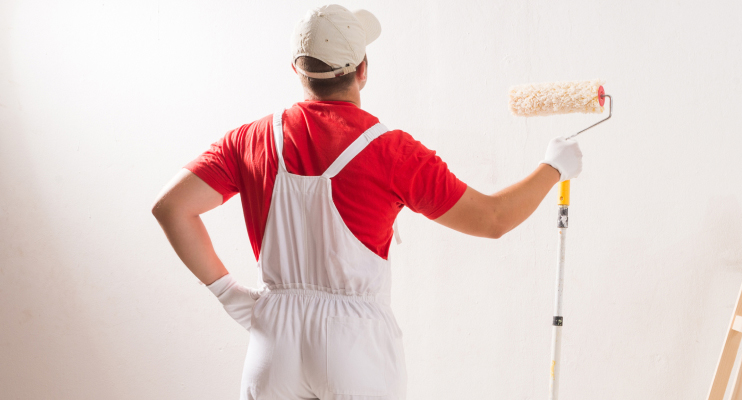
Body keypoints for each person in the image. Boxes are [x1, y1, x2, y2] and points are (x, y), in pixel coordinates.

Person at [151, 5, 582, 400]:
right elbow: (493, 219)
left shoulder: (250, 139)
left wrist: (230, 295)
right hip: (352, 347)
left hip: (273, 344)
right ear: (362, 69)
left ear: (297, 70)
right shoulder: (390, 152)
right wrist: (554, 168)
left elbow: (171, 208)